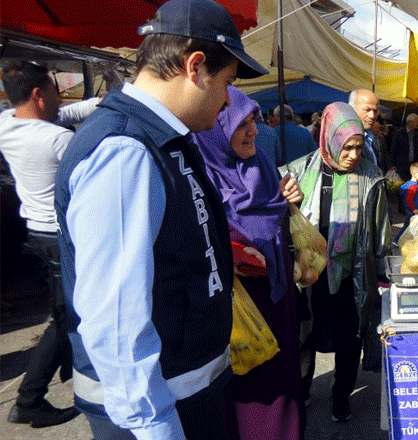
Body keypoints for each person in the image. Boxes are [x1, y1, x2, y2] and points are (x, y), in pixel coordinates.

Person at [54, 0, 268, 438]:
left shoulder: (163, 138)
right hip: (156, 409)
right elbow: (115, 319)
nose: (228, 100)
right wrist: (154, 425)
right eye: (227, 82)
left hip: (186, 390)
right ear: (195, 67)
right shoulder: (125, 150)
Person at [193, 86, 303, 440]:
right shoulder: (199, 179)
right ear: (217, 129)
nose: (253, 130)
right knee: (246, 392)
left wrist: (289, 202)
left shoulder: (263, 165)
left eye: (254, 119)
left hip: (276, 300)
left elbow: (274, 221)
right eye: (242, 123)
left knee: (284, 381)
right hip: (238, 308)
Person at [0, 60, 100, 428]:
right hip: (61, 237)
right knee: (65, 318)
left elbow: (63, 112)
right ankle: (30, 398)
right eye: (55, 90)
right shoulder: (59, 140)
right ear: (40, 94)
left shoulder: (6, 125)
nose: (61, 98)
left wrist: (97, 103)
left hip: (37, 234)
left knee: (65, 312)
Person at [278, 102, 392, 423]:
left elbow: (381, 232)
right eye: (347, 147)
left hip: (350, 277)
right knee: (303, 340)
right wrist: (284, 201)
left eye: (358, 146)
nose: (354, 154)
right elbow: (271, 213)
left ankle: (341, 397)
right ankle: (301, 393)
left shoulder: (371, 179)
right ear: (329, 138)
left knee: (348, 341)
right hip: (308, 276)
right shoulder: (297, 172)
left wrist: (384, 277)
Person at [348, 89, 382, 168]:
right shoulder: (344, 137)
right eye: (367, 110)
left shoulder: (370, 137)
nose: (372, 116)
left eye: (375, 111)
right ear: (352, 108)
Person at [394, 162, 418, 245]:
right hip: (413, 209)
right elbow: (409, 199)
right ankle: (397, 240)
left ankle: (405, 240)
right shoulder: (413, 186)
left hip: (410, 209)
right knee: (408, 226)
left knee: (410, 225)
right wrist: (414, 209)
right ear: (415, 174)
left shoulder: (408, 184)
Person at [390, 113, 418, 180]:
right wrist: (392, 164)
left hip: (413, 166)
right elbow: (394, 149)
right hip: (402, 166)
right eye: (416, 121)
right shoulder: (399, 133)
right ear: (411, 122)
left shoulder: (416, 135)